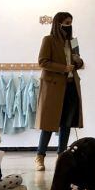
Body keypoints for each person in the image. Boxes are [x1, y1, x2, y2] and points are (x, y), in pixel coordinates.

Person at [35, 11, 84, 171]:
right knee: (49, 123)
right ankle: (40, 156)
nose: (69, 26)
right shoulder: (48, 40)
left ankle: (61, 156)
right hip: (54, 86)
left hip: (71, 85)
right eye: (67, 23)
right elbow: (43, 61)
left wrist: (78, 62)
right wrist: (63, 68)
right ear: (58, 24)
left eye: (71, 23)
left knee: (67, 123)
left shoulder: (73, 41)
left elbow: (79, 61)